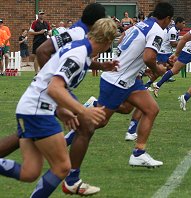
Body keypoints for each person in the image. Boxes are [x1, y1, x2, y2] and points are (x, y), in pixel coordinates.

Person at [62, 2, 174, 195]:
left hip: (128, 79)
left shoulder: (141, 24)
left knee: (150, 109)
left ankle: (139, 153)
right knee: (98, 122)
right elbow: (148, 57)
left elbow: (127, 44)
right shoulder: (157, 30)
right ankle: (61, 144)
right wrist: (157, 70)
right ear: (168, 19)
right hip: (118, 80)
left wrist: (143, 69)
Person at [0, 18, 116, 197]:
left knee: (29, 172)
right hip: (38, 110)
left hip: (30, 107)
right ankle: (72, 182)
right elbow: (54, 87)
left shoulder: (82, 50)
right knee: (62, 167)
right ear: (108, 42)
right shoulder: (78, 54)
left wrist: (63, 109)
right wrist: (83, 110)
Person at [145, 17, 186, 95]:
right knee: (172, 68)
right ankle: (148, 75)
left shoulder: (176, 30)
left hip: (167, 52)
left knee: (173, 68)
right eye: (183, 23)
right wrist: (183, 43)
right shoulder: (173, 30)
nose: (184, 25)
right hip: (163, 52)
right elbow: (173, 43)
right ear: (178, 23)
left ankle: (152, 82)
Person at [28, 10, 51, 74]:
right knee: (36, 57)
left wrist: (49, 33)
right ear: (38, 15)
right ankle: (36, 72)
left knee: (45, 56)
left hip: (45, 42)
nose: (42, 15)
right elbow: (30, 32)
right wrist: (39, 32)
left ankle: (43, 71)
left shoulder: (46, 23)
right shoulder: (34, 23)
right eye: (40, 14)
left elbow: (50, 32)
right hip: (37, 41)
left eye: (43, 14)